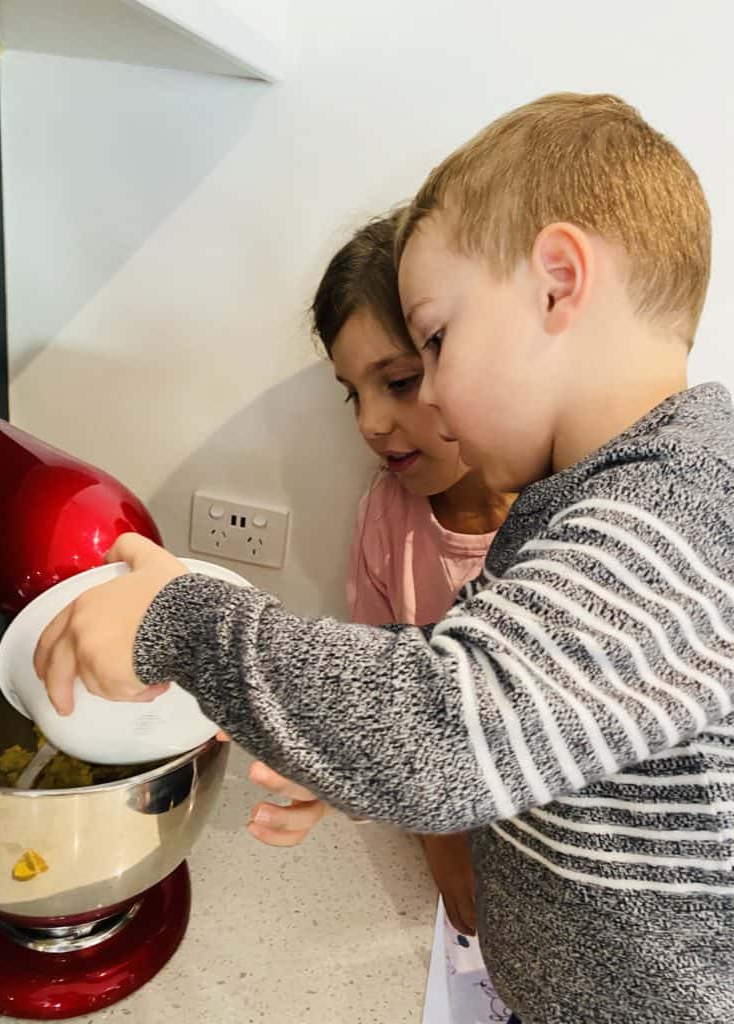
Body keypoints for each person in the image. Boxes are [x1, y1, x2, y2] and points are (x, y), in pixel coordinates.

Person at [35, 93, 734, 1024]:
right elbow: (503, 736)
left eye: (436, 341)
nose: (434, 390)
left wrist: (181, 618)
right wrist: (345, 759)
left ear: (560, 282)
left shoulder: (679, 506)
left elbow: (447, 727)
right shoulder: (596, 504)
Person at [247, 211, 514, 946]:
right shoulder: (387, 516)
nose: (369, 423)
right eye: (351, 393)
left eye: (397, 382)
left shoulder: (565, 519)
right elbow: (383, 701)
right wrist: (441, 841)